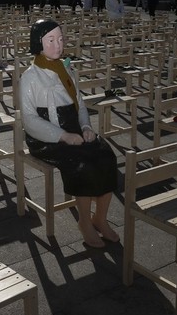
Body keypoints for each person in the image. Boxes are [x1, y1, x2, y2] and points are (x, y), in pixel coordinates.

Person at [19, 19, 119, 248]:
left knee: (106, 156)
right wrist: (62, 135)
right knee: (82, 163)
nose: (57, 45)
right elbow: (30, 119)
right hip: (45, 138)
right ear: (38, 43)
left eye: (61, 39)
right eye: (51, 40)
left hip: (73, 130)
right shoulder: (30, 77)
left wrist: (85, 127)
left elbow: (79, 105)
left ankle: (100, 219)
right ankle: (84, 221)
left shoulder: (68, 71)